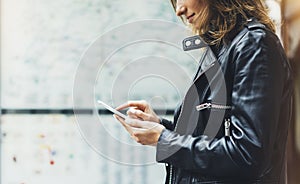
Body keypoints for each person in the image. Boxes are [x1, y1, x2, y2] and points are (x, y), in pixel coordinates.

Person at [114, 0, 293, 183]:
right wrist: (160, 127)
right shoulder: (224, 48)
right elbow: (210, 138)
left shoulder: (254, 45)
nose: (179, 10)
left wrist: (163, 139)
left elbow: (246, 154)